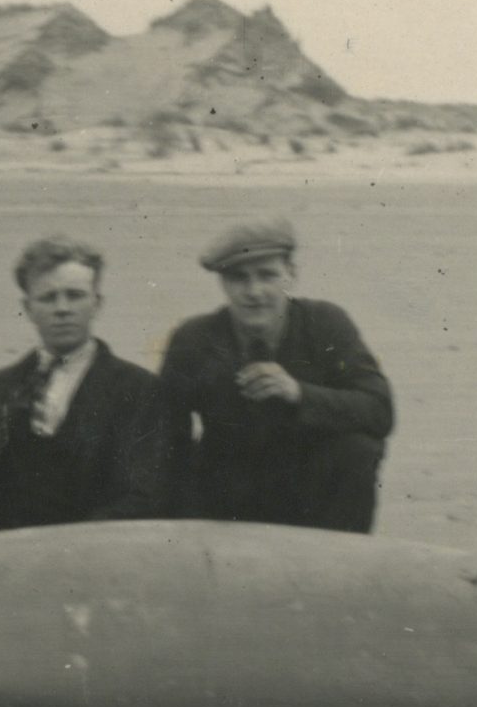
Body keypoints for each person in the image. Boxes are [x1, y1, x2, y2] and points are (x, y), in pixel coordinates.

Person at [0, 235, 169, 534]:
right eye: (48, 298)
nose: (62, 309)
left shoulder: (138, 389)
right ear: (28, 308)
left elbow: (142, 496)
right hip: (0, 547)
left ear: (97, 304)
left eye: (75, 295)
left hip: (93, 548)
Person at [159, 219, 393, 533]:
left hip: (311, 497)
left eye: (267, 275)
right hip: (227, 500)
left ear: (291, 274)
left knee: (358, 449)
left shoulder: (325, 323)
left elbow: (380, 410)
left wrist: (299, 393)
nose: (254, 292)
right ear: (223, 283)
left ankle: (339, 558)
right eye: (238, 278)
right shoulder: (195, 338)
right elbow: (164, 434)